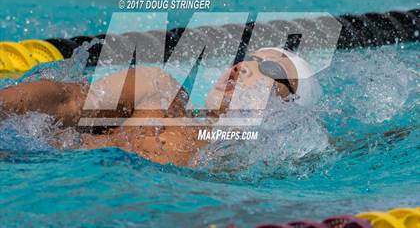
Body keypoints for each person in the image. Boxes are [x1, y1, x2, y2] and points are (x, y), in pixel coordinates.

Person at [0, 47, 321, 166]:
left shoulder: (244, 170)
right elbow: (65, 100)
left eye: (272, 70)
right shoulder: (158, 91)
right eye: (249, 57)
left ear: (288, 107)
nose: (243, 66)